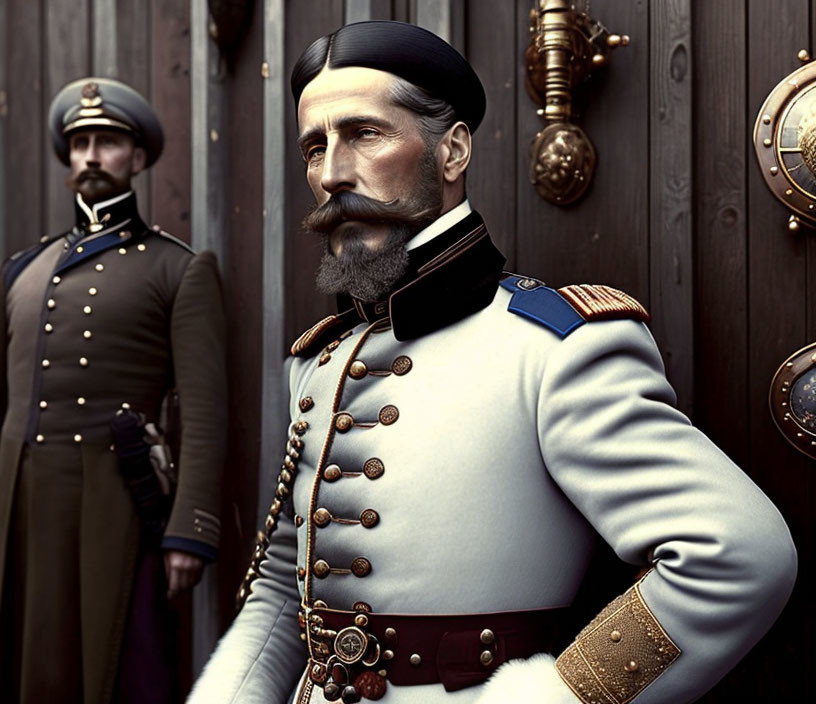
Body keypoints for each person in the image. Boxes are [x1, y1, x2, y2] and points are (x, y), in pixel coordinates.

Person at [188, 20, 796, 704]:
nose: (330, 173)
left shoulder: (553, 348)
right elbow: (280, 585)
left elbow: (738, 557)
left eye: (363, 134)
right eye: (314, 146)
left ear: (451, 151)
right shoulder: (321, 361)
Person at [0, 77, 226, 704]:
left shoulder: (178, 269)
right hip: (21, 500)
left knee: (119, 670)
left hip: (118, 505)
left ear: (137, 157)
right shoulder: (22, 270)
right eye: (79, 144)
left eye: (107, 142)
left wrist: (191, 530)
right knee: (30, 671)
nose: (91, 156)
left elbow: (206, 413)